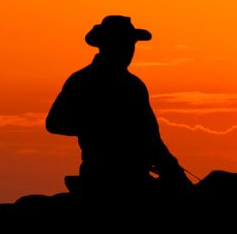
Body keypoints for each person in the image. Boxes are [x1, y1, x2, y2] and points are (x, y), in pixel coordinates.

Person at [46, 15, 190, 198]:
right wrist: (102, 126)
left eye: (131, 45)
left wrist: (171, 166)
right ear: (107, 45)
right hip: (101, 178)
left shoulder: (134, 85)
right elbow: (54, 123)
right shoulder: (83, 80)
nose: (129, 50)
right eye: (123, 44)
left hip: (136, 175)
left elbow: (151, 135)